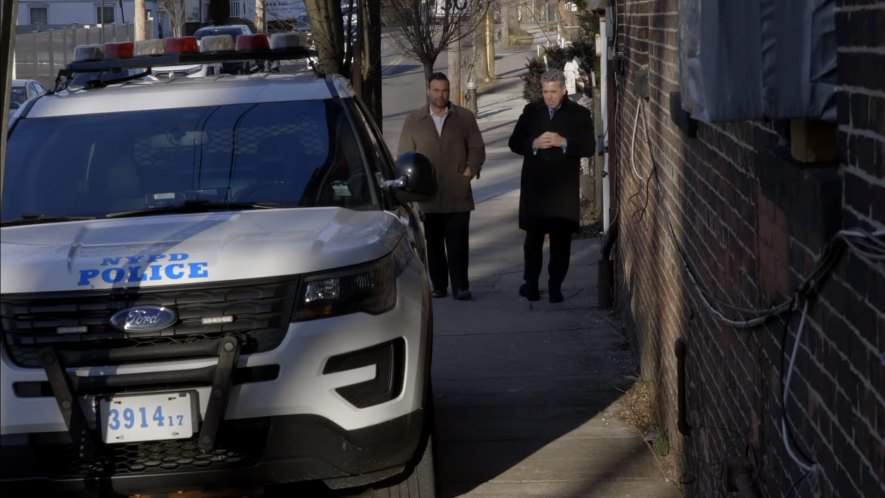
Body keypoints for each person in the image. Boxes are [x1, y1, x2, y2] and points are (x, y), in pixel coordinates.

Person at [508, 69, 595, 303]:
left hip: (563, 188)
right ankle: (531, 284)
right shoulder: (531, 112)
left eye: (554, 92)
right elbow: (514, 142)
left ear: (564, 91)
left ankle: (555, 287)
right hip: (535, 187)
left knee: (560, 241)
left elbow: (589, 147)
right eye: (545, 92)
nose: (549, 97)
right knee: (533, 241)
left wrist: (564, 142)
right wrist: (533, 144)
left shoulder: (579, 114)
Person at [398, 72, 486, 301]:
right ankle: (439, 285)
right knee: (434, 245)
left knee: (458, 244)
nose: (441, 95)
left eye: (444, 90)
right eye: (436, 90)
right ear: (428, 90)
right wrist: (411, 189)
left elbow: (477, 148)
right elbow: (405, 155)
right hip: (429, 195)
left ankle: (461, 286)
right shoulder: (414, 120)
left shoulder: (464, 118)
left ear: (449, 91)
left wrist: (470, 170)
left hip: (458, 192)